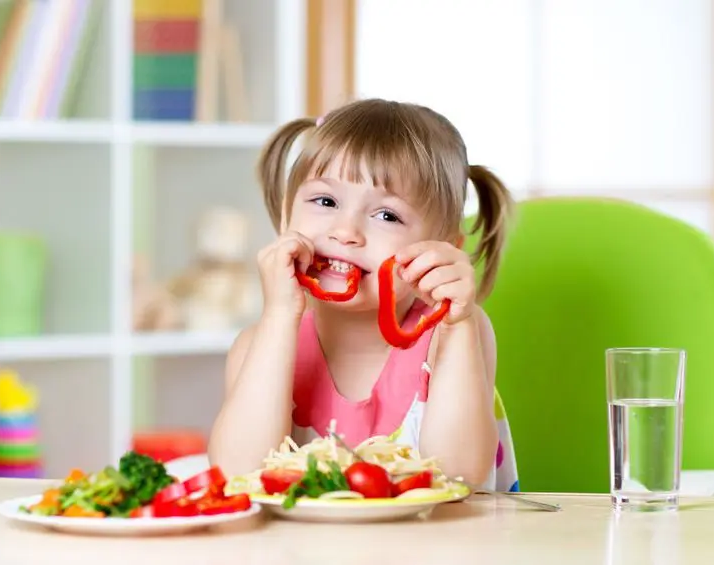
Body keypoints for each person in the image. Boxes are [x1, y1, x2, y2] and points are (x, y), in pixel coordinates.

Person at [208, 98, 514, 488]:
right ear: (286, 218)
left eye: (387, 215)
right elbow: (238, 473)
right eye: (325, 201)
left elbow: (458, 477)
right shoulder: (258, 344)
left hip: (433, 546)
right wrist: (279, 317)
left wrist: (457, 323)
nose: (345, 231)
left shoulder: (450, 335)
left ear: (441, 248)